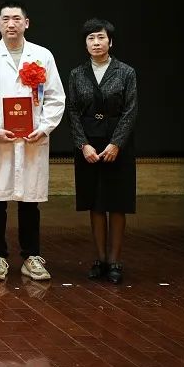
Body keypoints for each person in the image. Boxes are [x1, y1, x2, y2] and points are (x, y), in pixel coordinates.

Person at [0, 2, 65, 281]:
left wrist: (44, 128)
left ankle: (31, 256)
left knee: (29, 201)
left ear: (26, 23)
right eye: (5, 19)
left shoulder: (42, 55)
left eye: (16, 19)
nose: (11, 24)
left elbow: (55, 97)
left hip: (32, 139)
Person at [68, 18, 138, 284]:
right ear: (85, 44)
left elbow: (130, 111)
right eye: (91, 38)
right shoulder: (77, 74)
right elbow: (73, 111)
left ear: (110, 41)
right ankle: (100, 259)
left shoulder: (126, 72)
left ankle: (115, 261)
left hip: (118, 145)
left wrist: (116, 143)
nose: (96, 43)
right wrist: (82, 144)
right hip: (88, 145)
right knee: (95, 203)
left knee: (117, 204)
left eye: (101, 38)